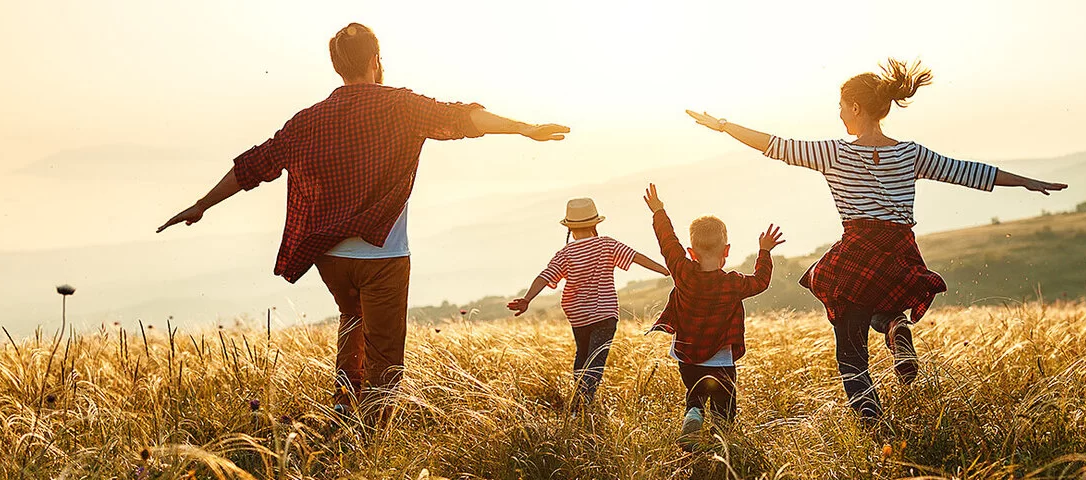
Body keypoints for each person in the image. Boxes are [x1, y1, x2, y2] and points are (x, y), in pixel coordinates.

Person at [156, 23, 570, 423]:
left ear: (338, 66)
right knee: (386, 352)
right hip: (383, 256)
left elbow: (255, 165)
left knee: (351, 319)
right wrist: (524, 129)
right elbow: (462, 118)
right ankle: (372, 435)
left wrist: (201, 204)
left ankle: (343, 405)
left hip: (330, 257)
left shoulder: (308, 120)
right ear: (376, 59)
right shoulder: (401, 106)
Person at [685, 58, 1067, 426]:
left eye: (840, 106)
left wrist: (722, 126)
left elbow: (774, 144)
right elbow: (968, 172)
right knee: (881, 305)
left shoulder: (834, 152)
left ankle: (873, 425)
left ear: (855, 106)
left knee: (850, 352)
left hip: (858, 249)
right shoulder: (910, 153)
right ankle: (895, 327)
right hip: (900, 250)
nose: (838, 115)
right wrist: (1027, 182)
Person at [641, 183, 780, 451]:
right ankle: (720, 447)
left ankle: (693, 413)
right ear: (726, 251)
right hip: (721, 359)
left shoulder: (683, 271)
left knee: (695, 396)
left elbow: (668, 242)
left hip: (686, 356)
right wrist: (764, 251)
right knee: (724, 409)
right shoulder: (733, 283)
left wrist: (659, 211)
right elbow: (761, 281)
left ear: (691, 252)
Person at [507, 198, 669, 409]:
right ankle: (582, 405)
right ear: (595, 224)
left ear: (570, 229)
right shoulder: (607, 244)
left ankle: (578, 402)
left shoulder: (565, 254)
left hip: (578, 316)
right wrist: (665, 270)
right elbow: (636, 257)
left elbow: (545, 276)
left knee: (582, 356)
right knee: (596, 360)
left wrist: (527, 299)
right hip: (604, 314)